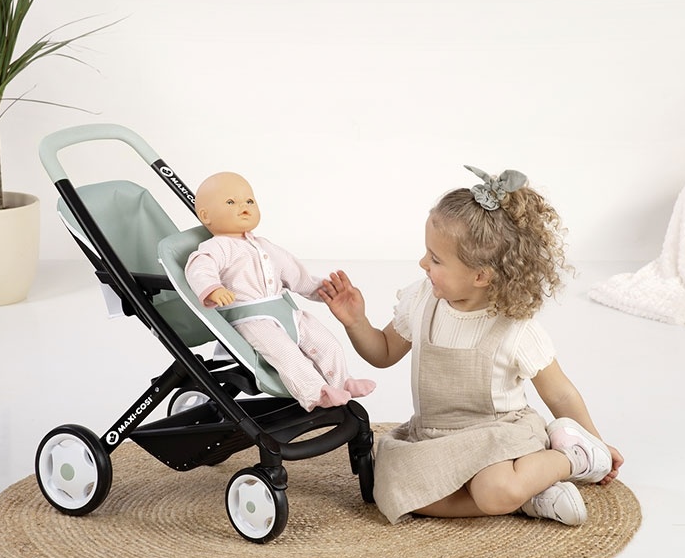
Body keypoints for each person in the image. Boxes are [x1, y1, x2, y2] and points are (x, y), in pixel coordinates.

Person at [318, 165, 623, 526]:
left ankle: (572, 458)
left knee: (494, 489)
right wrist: (356, 322)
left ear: (480, 276)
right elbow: (383, 353)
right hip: (435, 439)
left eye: (435, 259)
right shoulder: (421, 302)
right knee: (395, 493)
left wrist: (596, 442)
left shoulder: (514, 328)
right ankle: (530, 496)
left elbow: (560, 394)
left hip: (499, 439)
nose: (422, 263)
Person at [185, 171, 376, 412]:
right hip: (251, 319)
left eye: (249, 201)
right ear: (205, 216)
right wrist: (213, 289)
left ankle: (342, 382)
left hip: (284, 312)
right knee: (286, 354)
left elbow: (296, 274)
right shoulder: (217, 246)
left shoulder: (264, 245)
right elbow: (199, 268)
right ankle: (315, 393)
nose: (244, 207)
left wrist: (324, 291)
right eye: (231, 202)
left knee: (327, 342)